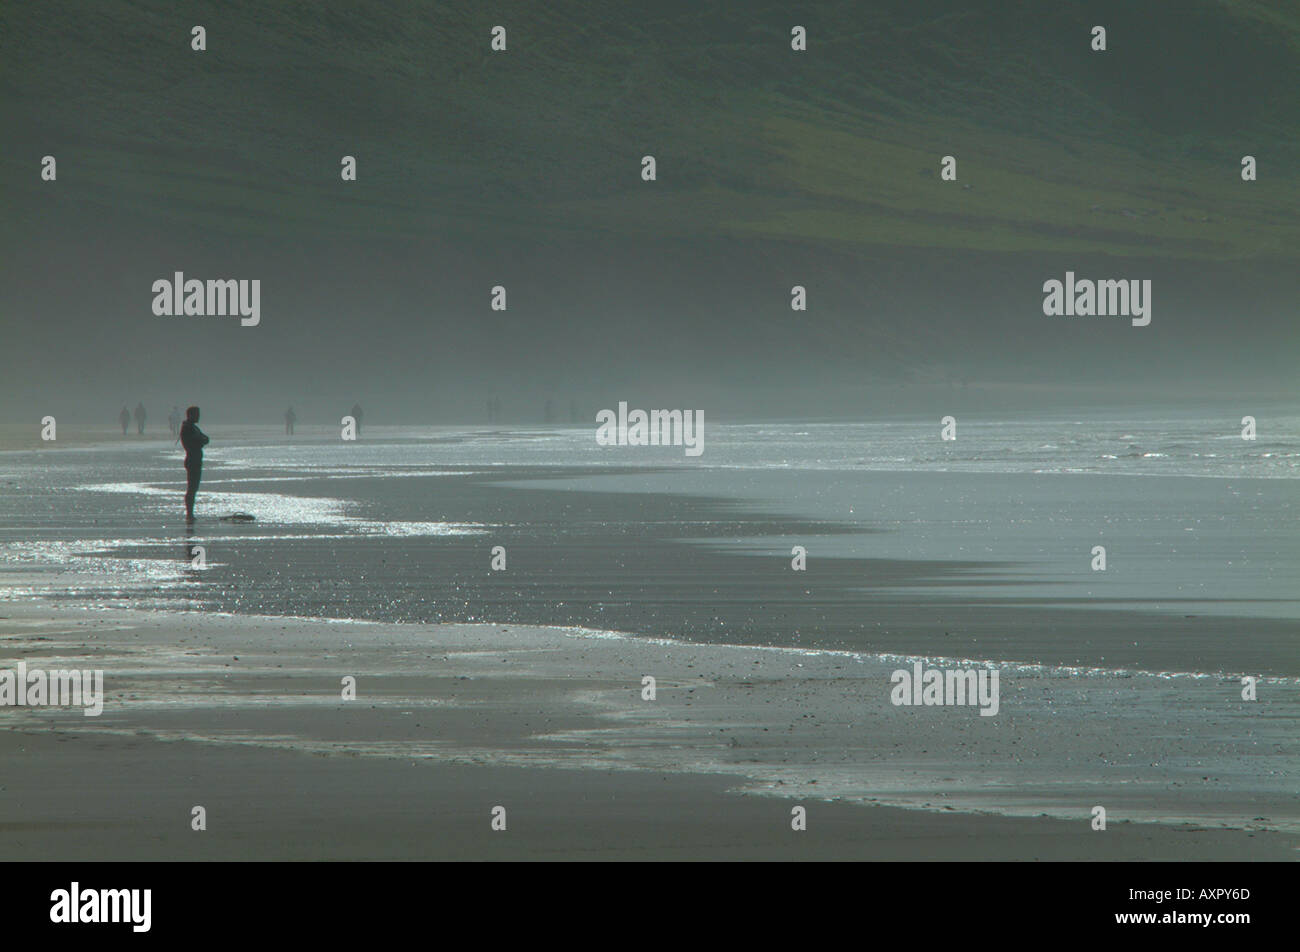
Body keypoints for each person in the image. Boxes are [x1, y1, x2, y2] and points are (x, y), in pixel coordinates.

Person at [179, 406, 209, 522]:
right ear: (190, 415)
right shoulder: (188, 428)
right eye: (196, 414)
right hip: (192, 459)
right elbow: (199, 440)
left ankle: (190, 513)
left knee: (193, 488)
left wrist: (201, 440)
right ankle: (189, 513)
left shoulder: (192, 427)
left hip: (195, 459)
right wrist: (201, 440)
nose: (198, 417)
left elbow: (205, 439)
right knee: (192, 488)